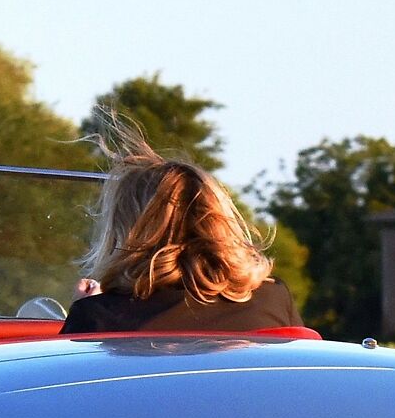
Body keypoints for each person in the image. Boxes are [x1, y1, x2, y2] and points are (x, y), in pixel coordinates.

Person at [59, 138, 302, 335]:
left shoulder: (96, 319)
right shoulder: (273, 299)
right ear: (219, 223)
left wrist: (94, 308)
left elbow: (65, 390)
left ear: (127, 232)